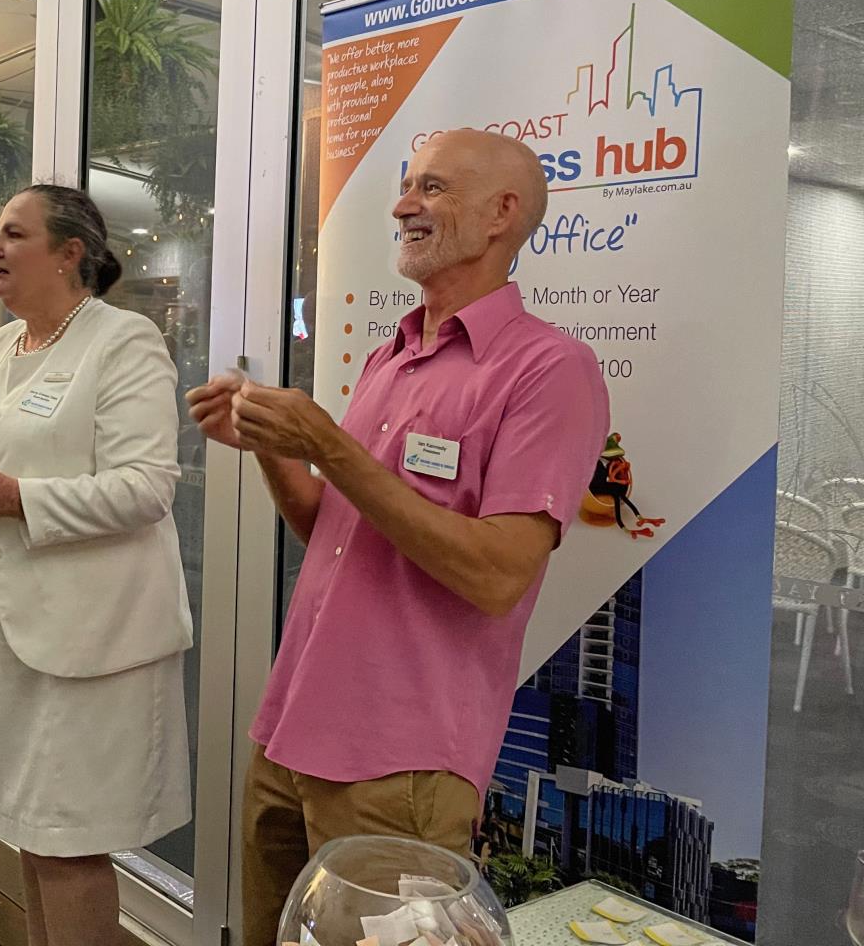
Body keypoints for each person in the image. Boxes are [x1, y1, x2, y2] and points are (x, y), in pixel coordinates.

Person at [187, 129, 610, 946]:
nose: (402, 205)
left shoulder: (550, 369)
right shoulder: (393, 353)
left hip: (401, 761)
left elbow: (498, 575)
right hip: (292, 727)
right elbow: (335, 532)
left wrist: (329, 444)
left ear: (502, 214)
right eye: (408, 184)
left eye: (433, 188)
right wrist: (274, 444)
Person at [0, 183, 192, 946]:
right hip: (2, 631)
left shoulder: (123, 342)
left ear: (70, 254)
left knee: (69, 841)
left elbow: (146, 489)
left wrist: (19, 498)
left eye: (13, 234)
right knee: (33, 833)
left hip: (89, 639)